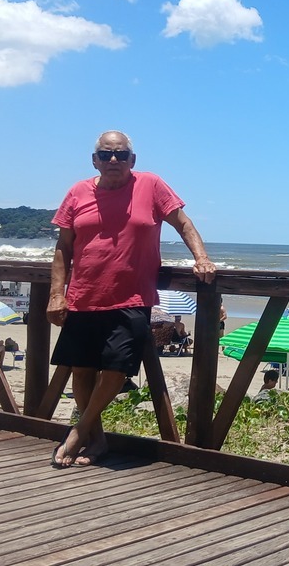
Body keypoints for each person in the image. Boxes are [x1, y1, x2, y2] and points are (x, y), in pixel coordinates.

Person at [47, 130, 216, 469]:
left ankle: (79, 432)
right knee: (80, 370)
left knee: (115, 368)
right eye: (106, 155)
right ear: (94, 160)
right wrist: (56, 294)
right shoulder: (77, 193)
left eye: (121, 155)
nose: (114, 160)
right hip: (83, 297)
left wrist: (201, 258)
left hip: (131, 297)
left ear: (132, 160)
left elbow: (183, 224)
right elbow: (63, 248)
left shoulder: (151, 185)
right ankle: (98, 439)